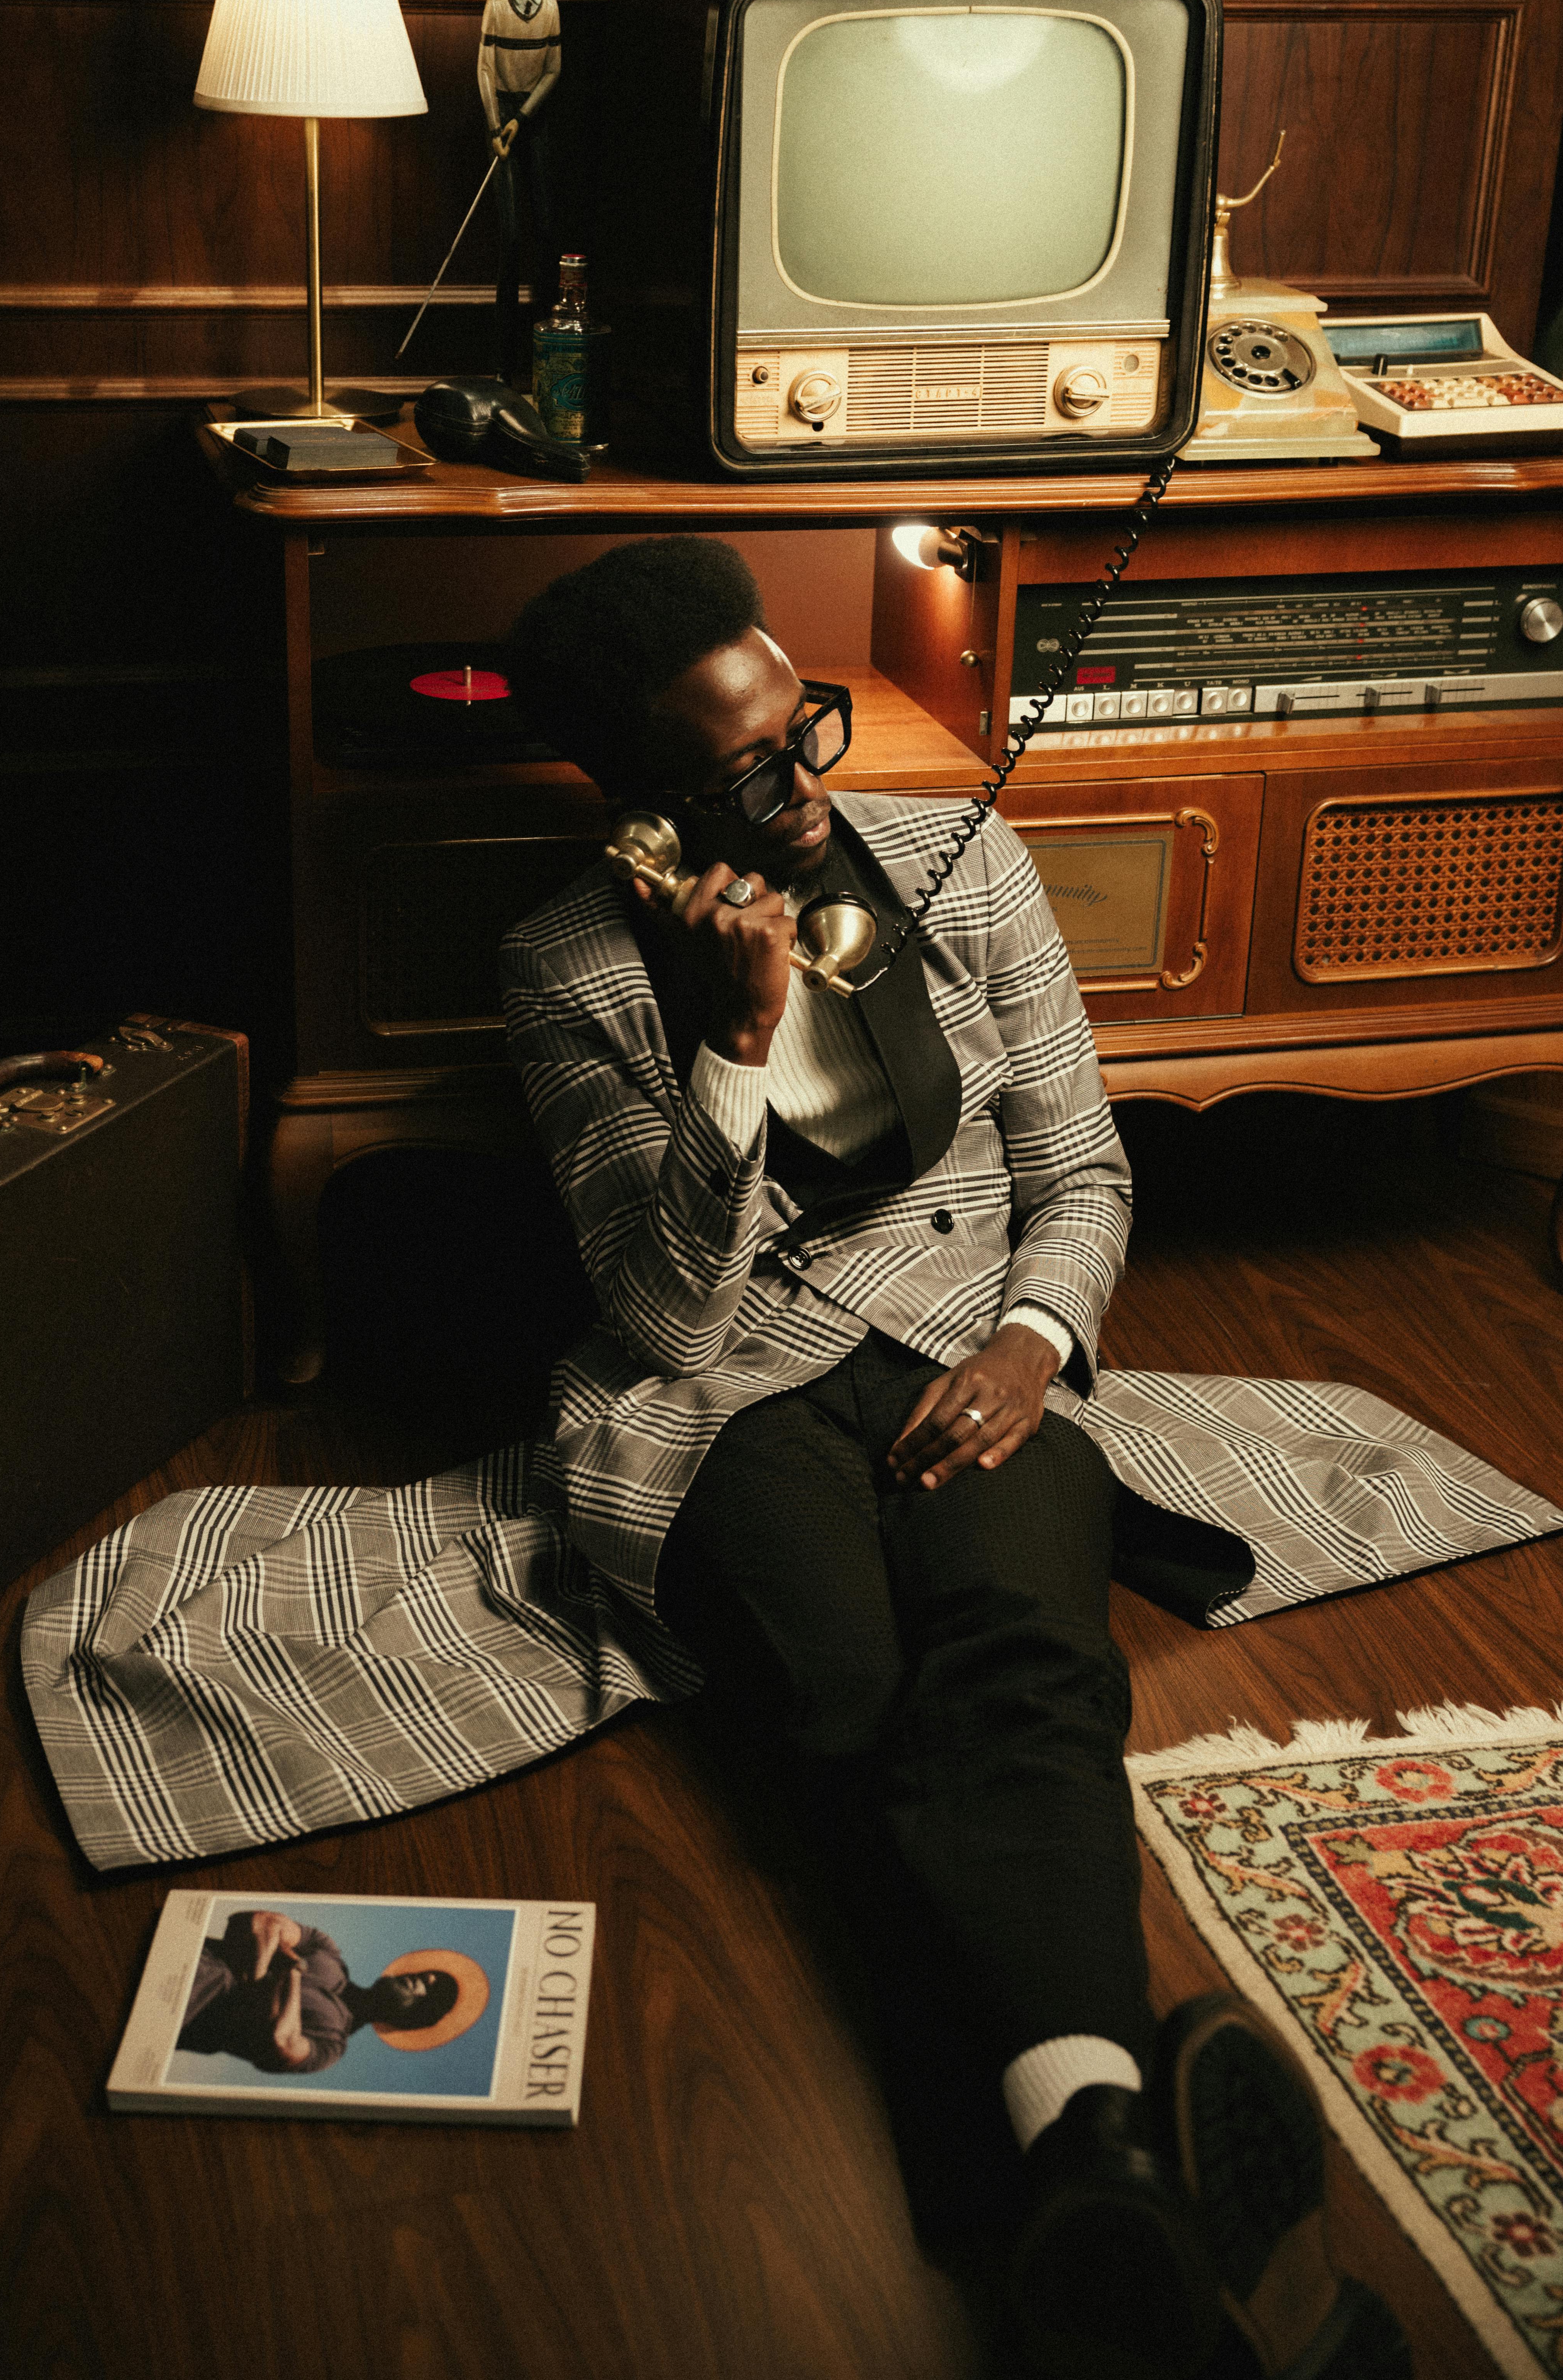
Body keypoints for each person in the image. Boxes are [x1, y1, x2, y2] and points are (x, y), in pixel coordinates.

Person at [499, 535, 1412, 2380]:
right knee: (841, 1690)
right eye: (751, 773)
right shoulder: (569, 970)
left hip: (966, 1345)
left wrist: (1032, 1338)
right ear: (649, 820)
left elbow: (1081, 1162)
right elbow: (665, 1308)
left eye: (805, 728)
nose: (809, 787)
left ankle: (1081, 2204)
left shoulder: (954, 858)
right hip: (733, 1390)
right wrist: (737, 1053)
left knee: (1022, 1649)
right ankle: (1109, 2155)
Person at [176, 1908, 460, 2075]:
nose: (430, 1976)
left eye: (436, 1992)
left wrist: (291, 1973)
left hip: (179, 2013)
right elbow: (260, 1922)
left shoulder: (330, 2045)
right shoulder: (328, 1952)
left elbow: (280, 2044)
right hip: (180, 1951)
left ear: (411, 2018)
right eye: (432, 1974)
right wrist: (263, 1975)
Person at [478, 0, 561, 385]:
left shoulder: (550, 6)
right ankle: (503, 365)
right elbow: (486, 68)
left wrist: (524, 118)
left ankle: (542, 360)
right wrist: (496, 126)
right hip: (502, 116)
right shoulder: (496, 5)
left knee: (546, 232)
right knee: (511, 238)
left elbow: (554, 69)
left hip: (535, 115)